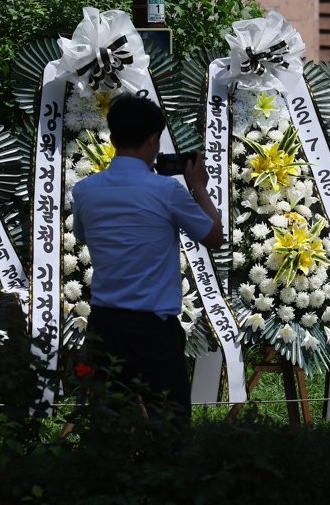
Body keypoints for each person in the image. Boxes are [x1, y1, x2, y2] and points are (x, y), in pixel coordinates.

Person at [72, 94, 222, 425]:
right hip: (154, 329)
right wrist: (199, 186)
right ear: (154, 139)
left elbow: (83, 236)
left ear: (112, 138)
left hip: (105, 325)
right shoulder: (166, 191)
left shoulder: (84, 191)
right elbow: (213, 236)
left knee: (107, 429)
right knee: (170, 426)